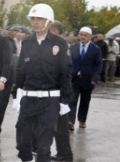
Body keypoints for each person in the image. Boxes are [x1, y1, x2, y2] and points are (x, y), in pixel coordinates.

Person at [15, 3, 72, 162]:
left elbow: (65, 73)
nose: (35, 22)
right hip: (28, 99)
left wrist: (65, 100)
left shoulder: (59, 44)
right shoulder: (27, 43)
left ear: (48, 21)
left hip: (50, 100)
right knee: (23, 143)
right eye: (33, 19)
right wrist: (16, 94)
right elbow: (21, 70)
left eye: (39, 19)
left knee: (43, 146)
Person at [68, 26, 102, 131]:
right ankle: (70, 121)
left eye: (85, 35)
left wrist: (95, 77)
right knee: (72, 100)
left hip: (88, 79)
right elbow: (68, 62)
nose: (82, 37)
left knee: (85, 101)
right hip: (74, 79)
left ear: (90, 37)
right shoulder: (73, 47)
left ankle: (82, 120)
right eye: (81, 35)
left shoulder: (95, 49)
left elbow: (98, 65)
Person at [48, 21, 73, 162]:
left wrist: (64, 98)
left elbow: (66, 73)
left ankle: (65, 155)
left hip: (60, 92)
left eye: (52, 31)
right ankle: (62, 153)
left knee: (61, 127)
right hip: (51, 91)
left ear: (58, 32)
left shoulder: (61, 46)